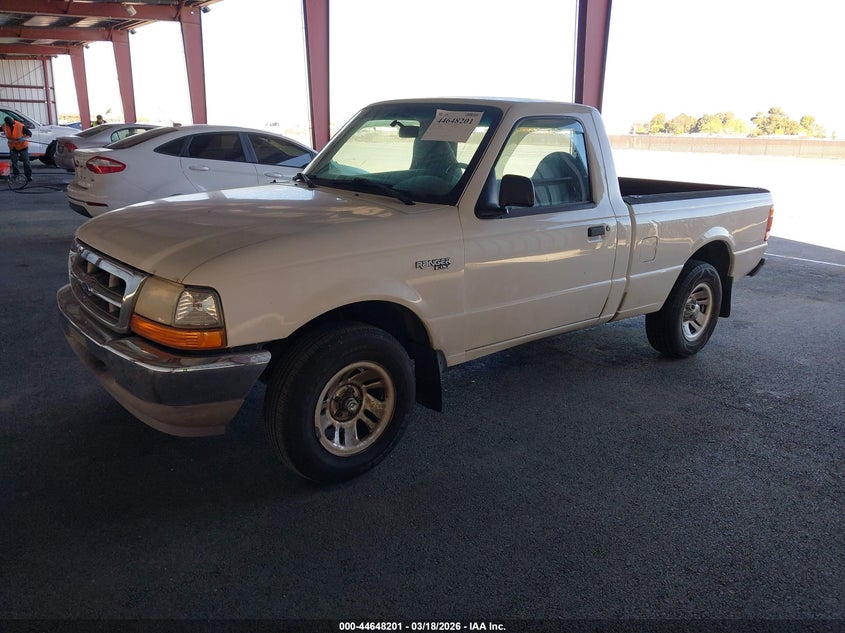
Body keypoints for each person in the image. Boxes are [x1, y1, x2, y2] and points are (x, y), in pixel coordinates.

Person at [2, 115, 33, 182]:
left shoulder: (20, 126)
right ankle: (16, 176)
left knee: (26, 162)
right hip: (12, 146)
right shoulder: (4, 126)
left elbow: (29, 134)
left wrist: (23, 138)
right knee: (14, 162)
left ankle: (28, 176)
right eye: (8, 124)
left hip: (22, 146)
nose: (10, 124)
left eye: (12, 123)